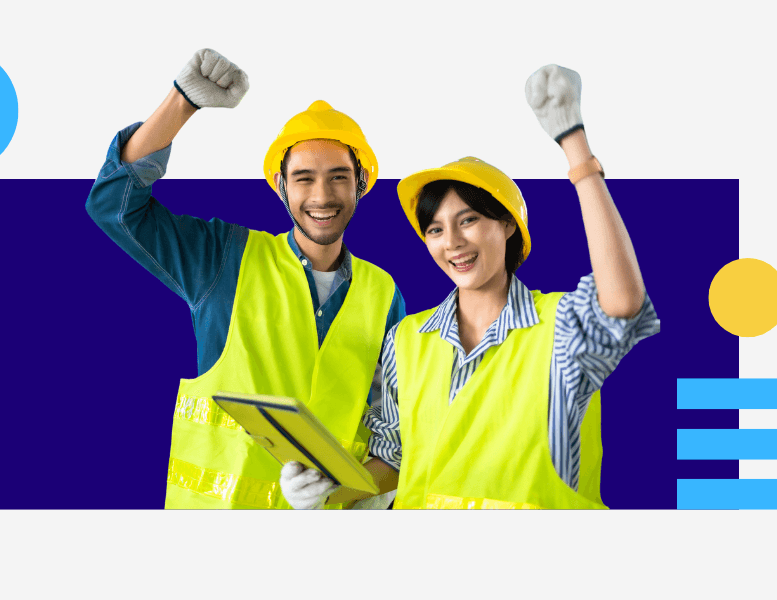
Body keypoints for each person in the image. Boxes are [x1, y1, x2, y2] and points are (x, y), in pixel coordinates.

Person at [279, 64, 659, 509]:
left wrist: (575, 147)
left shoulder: (559, 329)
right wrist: (325, 491)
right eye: (435, 230)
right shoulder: (408, 340)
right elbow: (394, 459)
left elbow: (622, 302)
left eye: (469, 220)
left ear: (507, 226)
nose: (453, 243)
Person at [85, 48, 405, 509]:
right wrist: (181, 102)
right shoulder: (223, 257)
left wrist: (348, 494)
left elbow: (392, 430)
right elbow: (114, 206)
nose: (322, 195)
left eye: (338, 177)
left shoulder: (384, 292)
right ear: (280, 185)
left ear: (360, 184)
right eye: (303, 178)